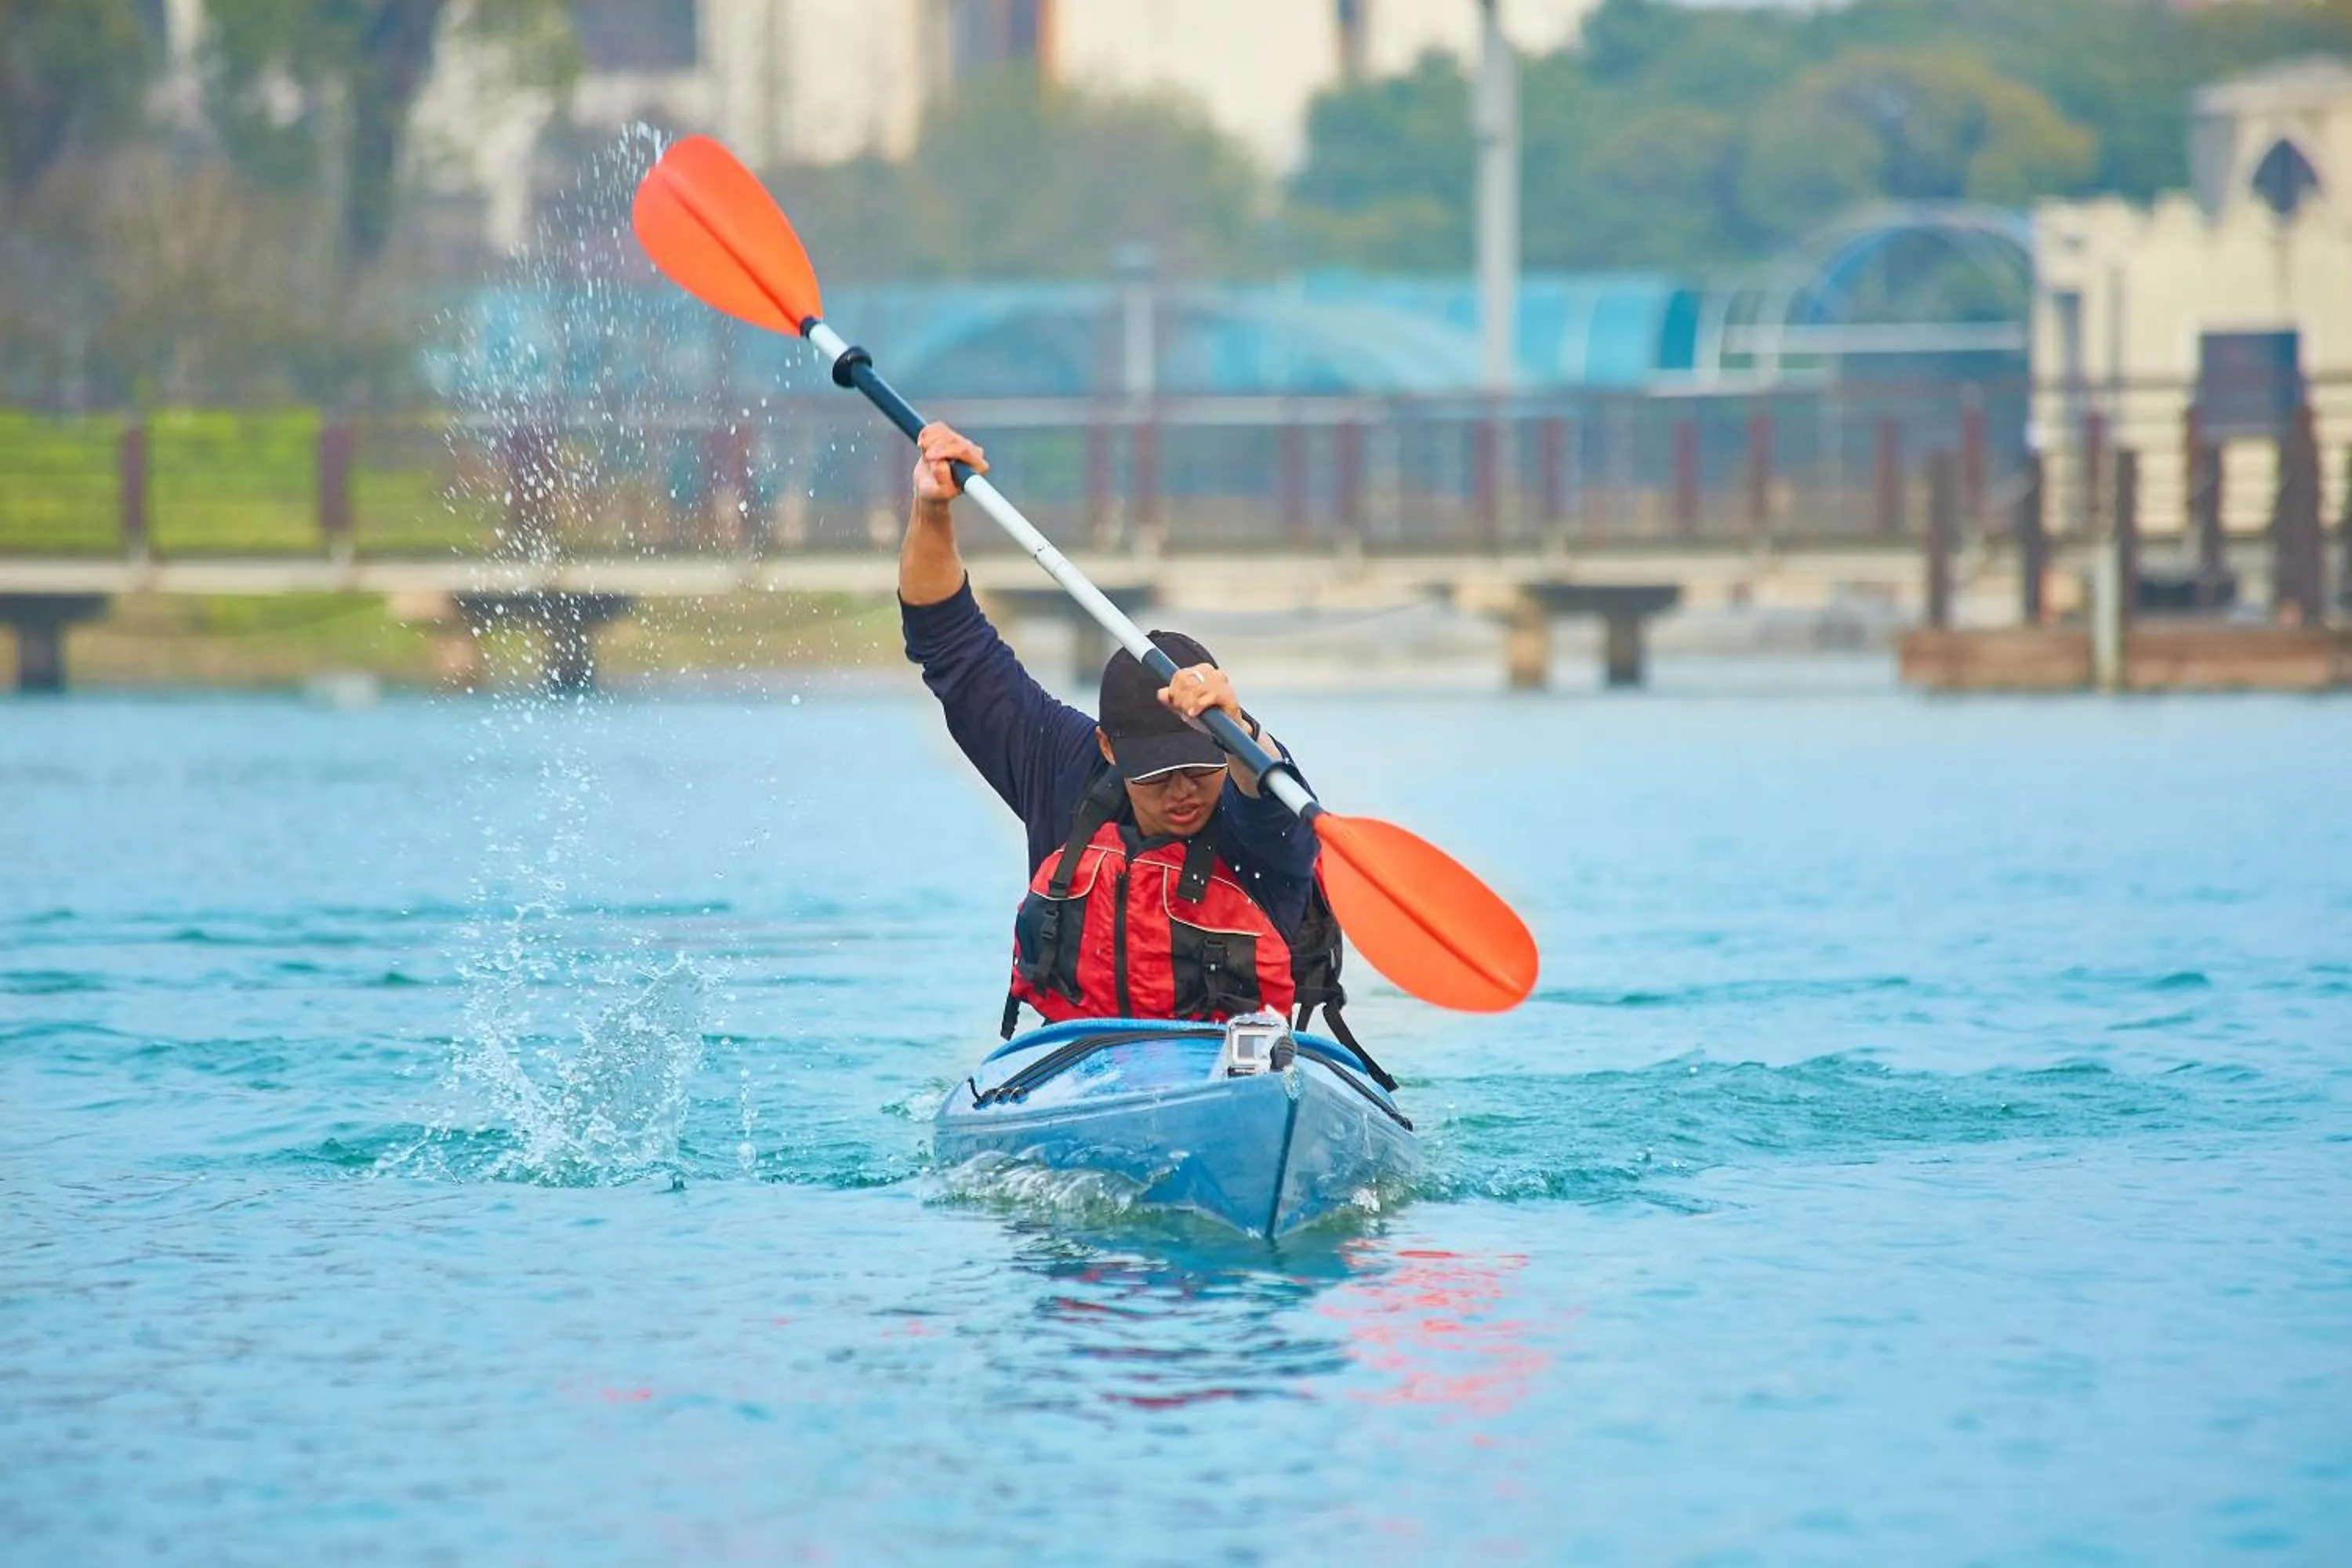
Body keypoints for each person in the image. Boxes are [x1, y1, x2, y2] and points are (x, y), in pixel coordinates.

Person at [897, 421, 1340, 1040]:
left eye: (1198, 767)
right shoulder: (1063, 767)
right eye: (1158, 775)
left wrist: (1237, 730)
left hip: (1235, 1076)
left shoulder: (1263, 818)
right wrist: (932, 509)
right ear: (1110, 750)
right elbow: (948, 644)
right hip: (1084, 1067)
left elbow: (1264, 785)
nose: (1184, 790)